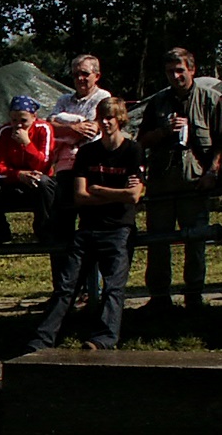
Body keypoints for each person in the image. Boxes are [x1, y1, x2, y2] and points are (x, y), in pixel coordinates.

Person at [28, 97, 144, 352]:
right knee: (66, 286)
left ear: (120, 120)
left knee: (114, 287)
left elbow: (134, 195)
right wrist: (117, 193)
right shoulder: (88, 153)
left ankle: (104, 338)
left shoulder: (132, 150)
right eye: (101, 118)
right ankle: (43, 339)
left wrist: (99, 189)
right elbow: (80, 196)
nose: (105, 122)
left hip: (119, 228)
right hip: (88, 228)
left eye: (110, 118)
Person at [138, 47, 222, 311]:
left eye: (180, 70)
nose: (175, 76)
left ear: (192, 69)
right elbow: (141, 141)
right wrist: (163, 131)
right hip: (162, 179)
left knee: (195, 241)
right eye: (170, 71)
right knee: (158, 242)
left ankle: (193, 296)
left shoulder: (211, 99)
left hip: (195, 180)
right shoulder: (157, 103)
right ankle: (159, 298)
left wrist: (212, 172)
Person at [48, 54, 111, 294]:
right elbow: (48, 125)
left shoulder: (103, 98)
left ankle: (89, 290)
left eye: (85, 73)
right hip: (64, 170)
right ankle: (62, 290)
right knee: (60, 230)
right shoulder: (64, 99)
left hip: (90, 171)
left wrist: (63, 127)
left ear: (97, 75)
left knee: (89, 232)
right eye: (76, 74)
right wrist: (72, 127)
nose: (80, 78)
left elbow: (92, 130)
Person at [0, 95, 56, 246]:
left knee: (45, 183)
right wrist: (18, 175)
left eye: (23, 120)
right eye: (14, 120)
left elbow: (44, 164)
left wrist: (27, 144)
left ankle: (44, 231)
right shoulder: (5, 131)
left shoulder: (44, 129)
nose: (18, 126)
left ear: (34, 117)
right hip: (12, 185)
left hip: (37, 187)